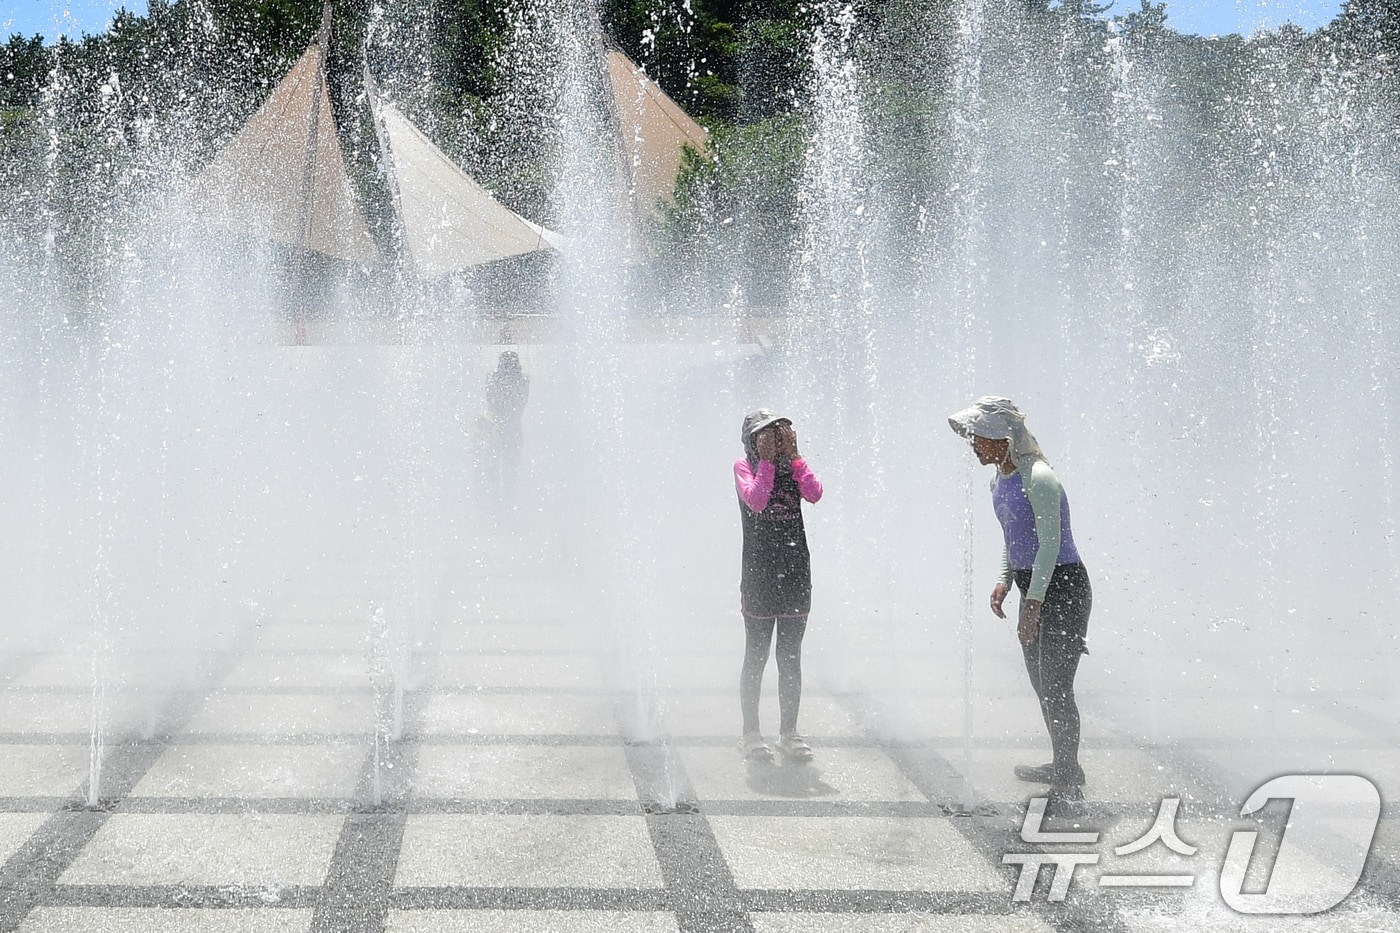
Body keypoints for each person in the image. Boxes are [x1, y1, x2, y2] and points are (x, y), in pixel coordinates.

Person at [948, 397, 1092, 801]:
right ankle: (1064, 762)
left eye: (978, 436)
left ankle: (1068, 777)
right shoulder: (1001, 478)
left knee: (1058, 685)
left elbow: (1049, 545)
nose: (973, 443)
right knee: (1041, 683)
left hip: (1063, 588)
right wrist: (1004, 580)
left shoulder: (1039, 476)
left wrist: (1033, 605)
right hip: (1034, 586)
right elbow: (1015, 537)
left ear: (1001, 436)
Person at [734, 409, 824, 763]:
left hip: (796, 571)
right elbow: (755, 500)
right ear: (750, 440)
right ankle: (750, 733)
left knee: (790, 658)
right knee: (756, 654)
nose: (772, 440)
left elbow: (815, 493)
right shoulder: (744, 467)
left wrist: (796, 456)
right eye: (764, 435)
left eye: (777, 433)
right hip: (759, 573)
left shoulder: (794, 466)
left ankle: (789, 733)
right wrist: (767, 462)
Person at [484, 351, 529, 506]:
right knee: (502, 470)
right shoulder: (517, 381)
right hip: (502, 430)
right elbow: (493, 402)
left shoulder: (518, 382)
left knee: (505, 470)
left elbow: (520, 402)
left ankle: (504, 503)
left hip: (505, 430)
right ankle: (503, 503)